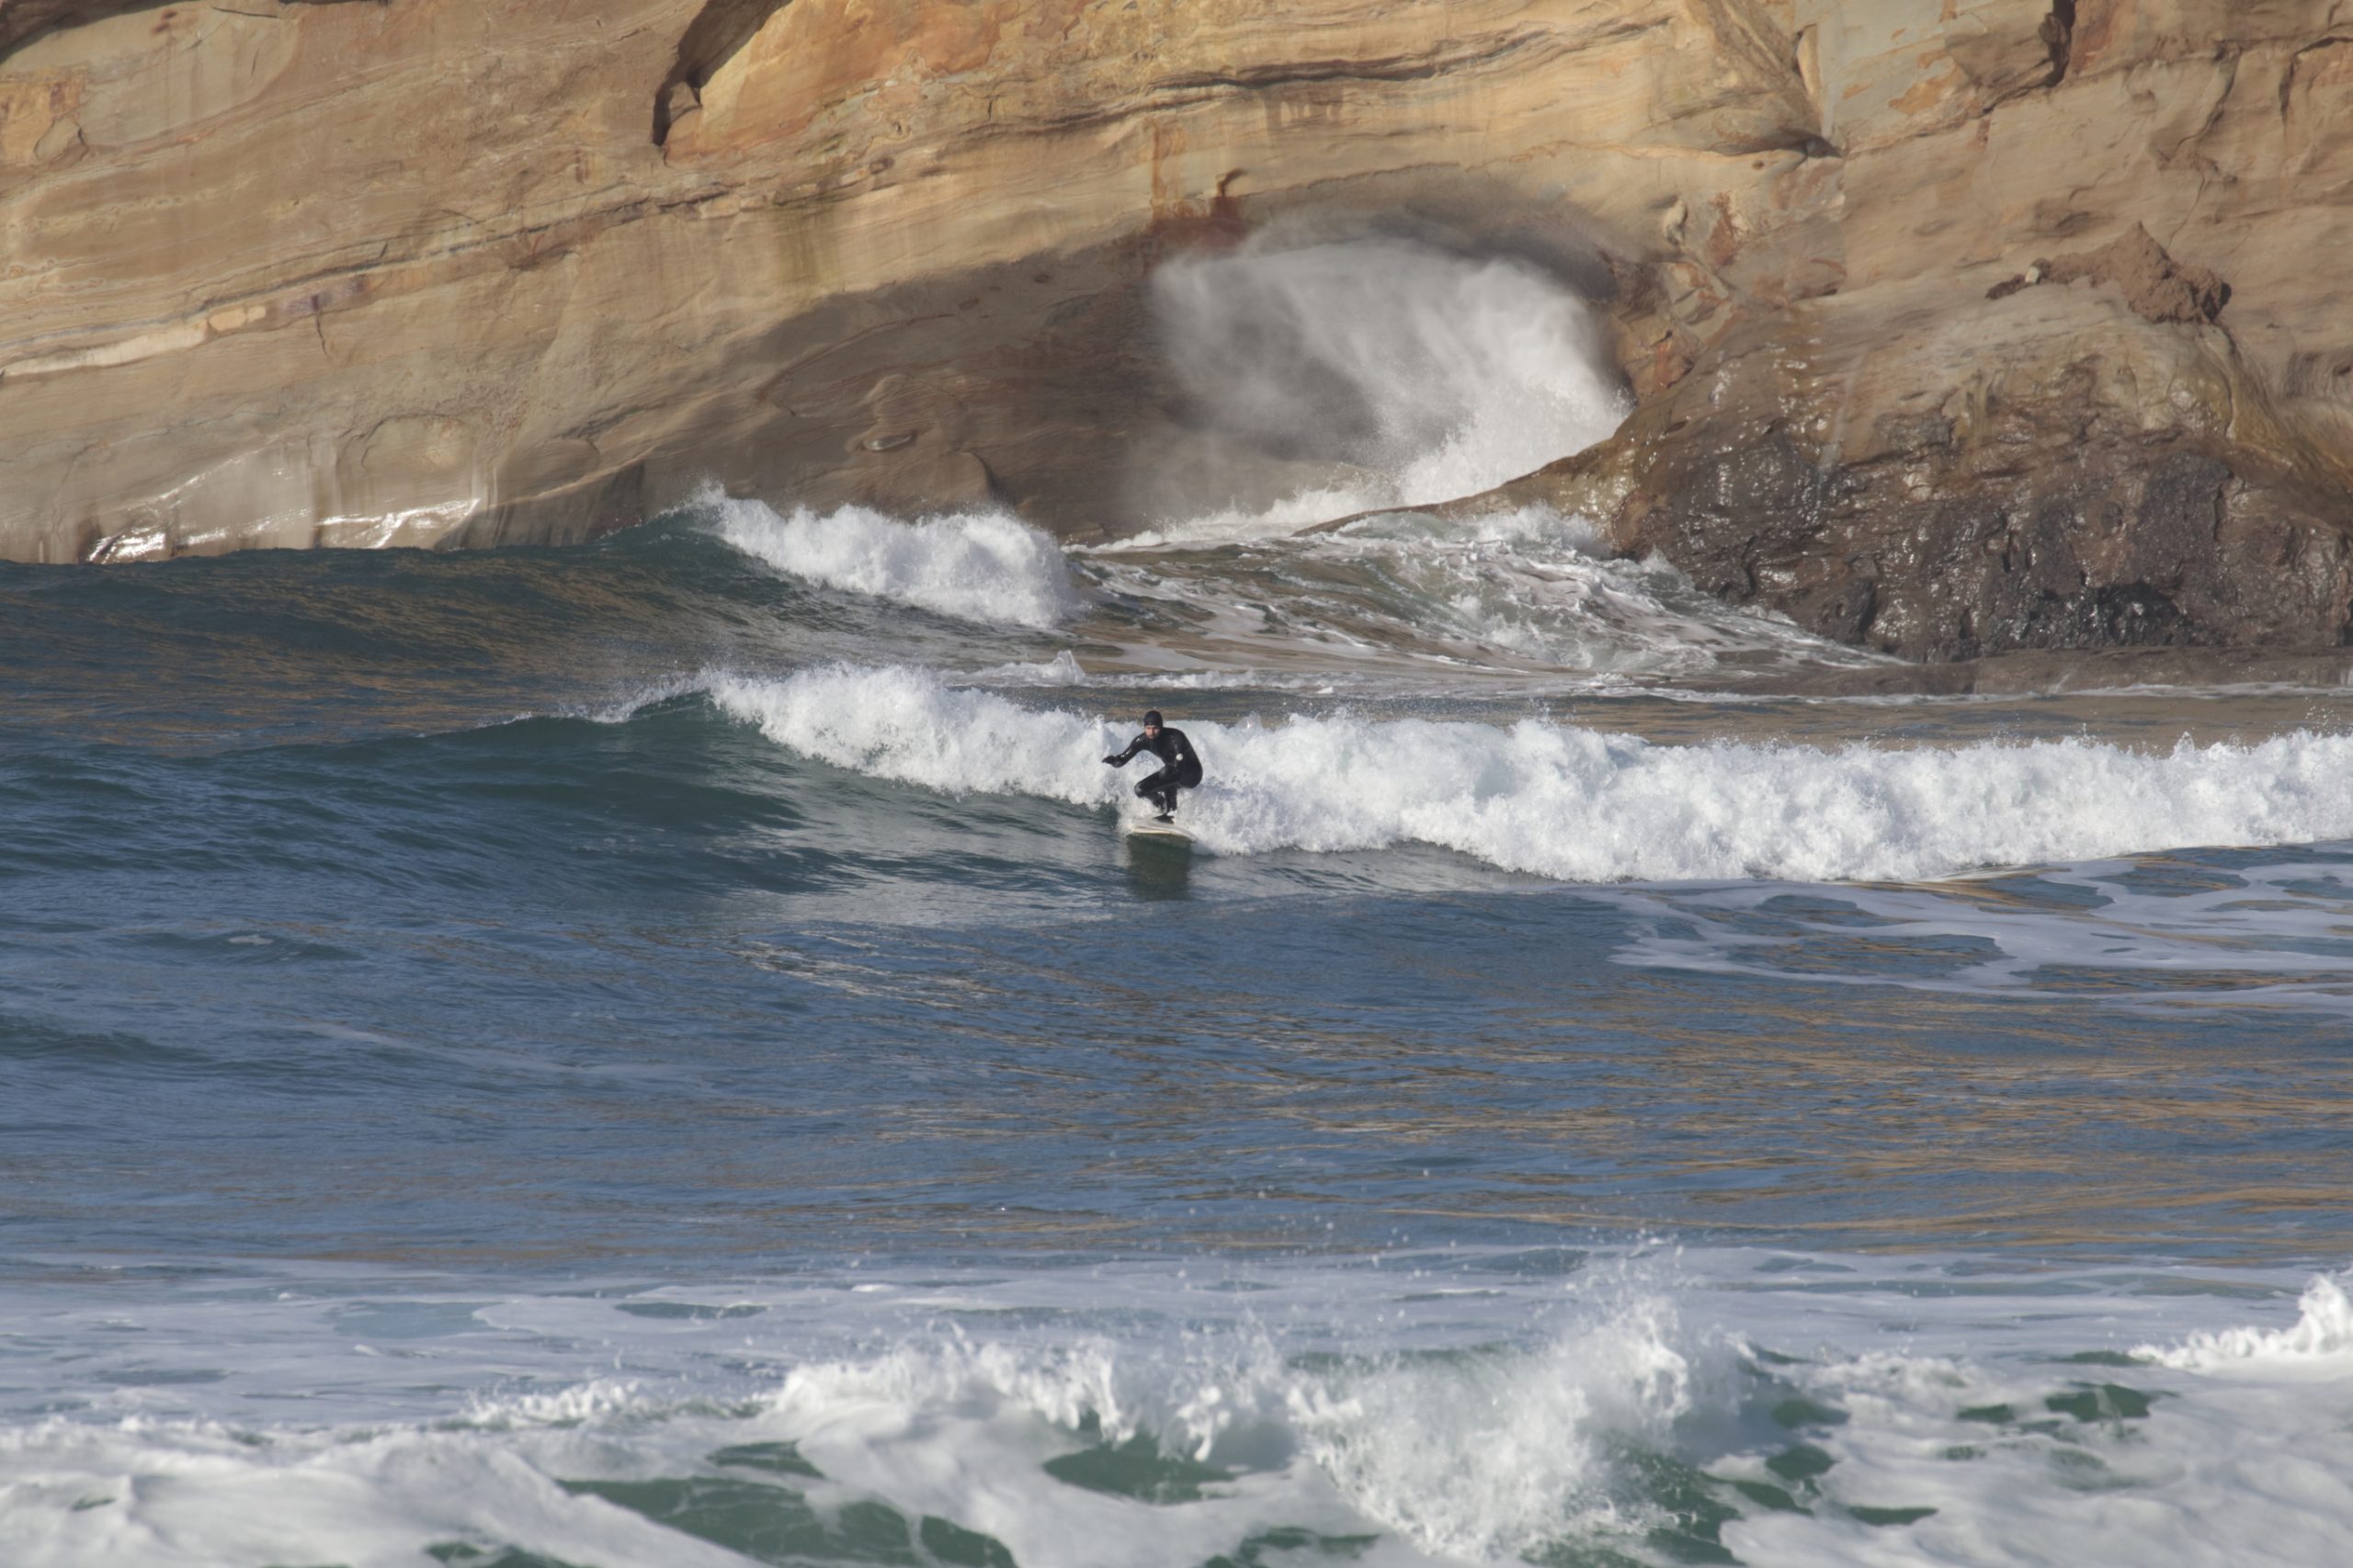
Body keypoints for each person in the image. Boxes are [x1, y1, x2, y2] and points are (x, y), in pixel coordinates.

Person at [1103, 710, 1203, 822]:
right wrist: (1113, 761)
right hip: (1171, 772)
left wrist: (1162, 782)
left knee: (1168, 773)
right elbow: (1122, 760)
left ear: (1161, 727)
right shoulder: (1142, 740)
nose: (1151, 732)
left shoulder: (1175, 738)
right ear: (1144, 727)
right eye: (1148, 728)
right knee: (1140, 790)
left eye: (1155, 728)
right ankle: (1161, 804)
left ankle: (1171, 814)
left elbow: (1178, 772)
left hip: (1192, 774)